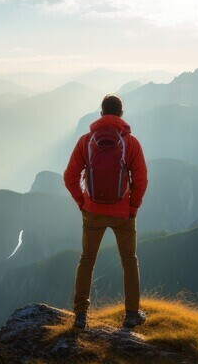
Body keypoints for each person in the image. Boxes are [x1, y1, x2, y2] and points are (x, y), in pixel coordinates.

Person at [63, 94, 148, 329]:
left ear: (101, 113)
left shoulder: (85, 141)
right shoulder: (131, 143)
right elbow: (141, 179)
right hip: (123, 214)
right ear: (121, 114)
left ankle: (80, 315)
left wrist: (82, 202)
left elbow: (69, 177)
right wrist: (133, 207)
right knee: (129, 261)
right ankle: (132, 314)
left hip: (93, 212)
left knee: (87, 260)